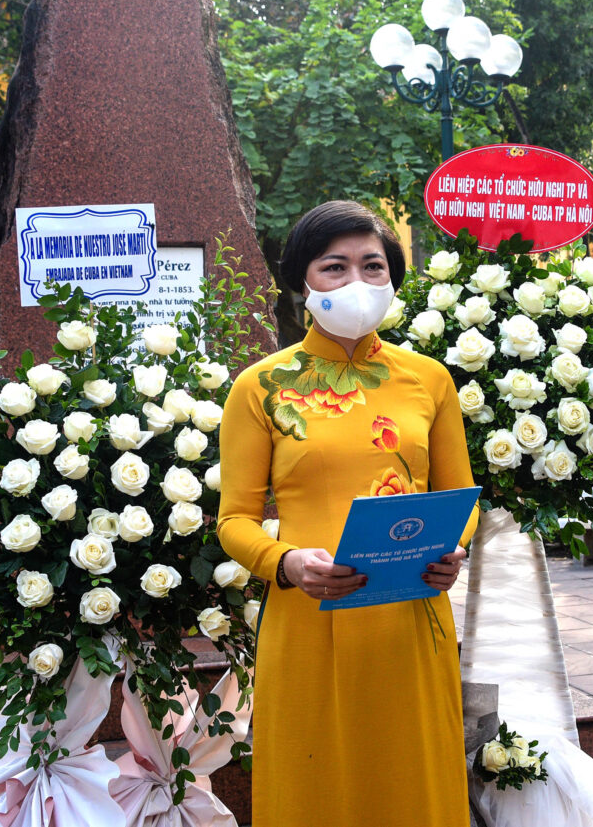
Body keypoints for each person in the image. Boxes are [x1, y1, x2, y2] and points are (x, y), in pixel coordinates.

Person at [217, 200, 479, 827]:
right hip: (308, 618)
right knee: (315, 787)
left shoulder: (429, 380)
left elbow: (461, 496)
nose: (357, 280)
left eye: (372, 265)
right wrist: (285, 563)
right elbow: (234, 520)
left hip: (410, 616)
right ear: (302, 280)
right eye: (335, 266)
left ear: (393, 278)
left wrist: (454, 547)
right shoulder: (259, 387)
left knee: (413, 781)